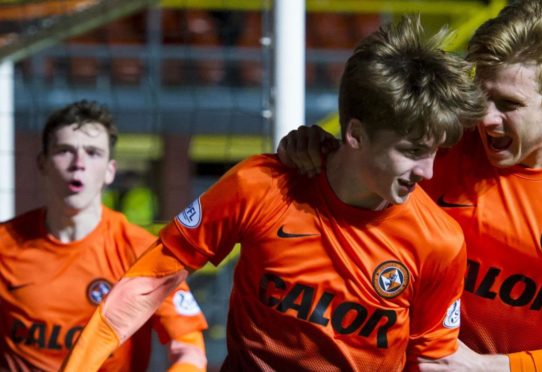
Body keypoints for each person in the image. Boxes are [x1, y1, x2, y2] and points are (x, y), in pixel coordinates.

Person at [61, 16, 488, 370]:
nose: (427, 171)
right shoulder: (261, 186)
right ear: (355, 134)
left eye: (433, 152)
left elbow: (432, 362)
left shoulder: (439, 241)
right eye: (412, 152)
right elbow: (149, 281)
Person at [276, 0, 542, 370]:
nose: (486, 118)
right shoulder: (441, 142)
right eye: (481, 95)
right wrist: (313, 150)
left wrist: (491, 368)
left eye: (509, 104)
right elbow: (358, 164)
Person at [0, 100, 208, 371]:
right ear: (42, 163)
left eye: (93, 152)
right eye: (65, 151)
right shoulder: (5, 244)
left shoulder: (142, 251)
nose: (78, 164)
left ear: (110, 170)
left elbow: (189, 349)